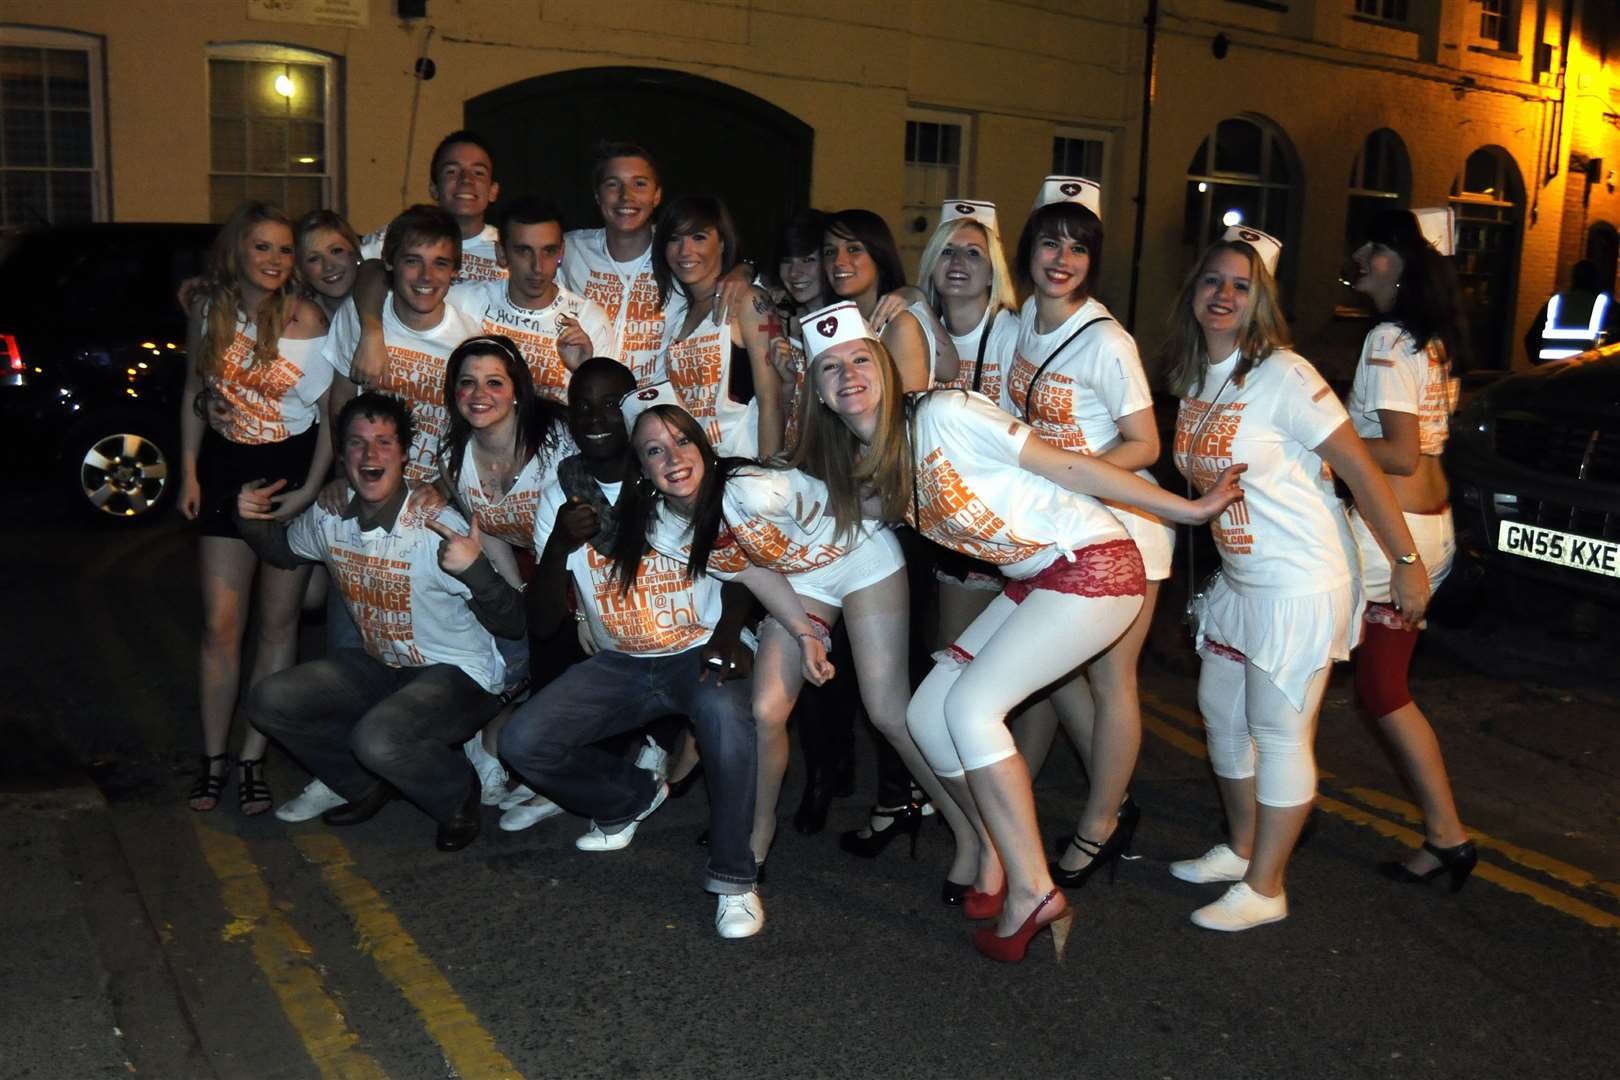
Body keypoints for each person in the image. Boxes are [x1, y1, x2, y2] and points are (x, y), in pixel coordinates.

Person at [794, 300, 1243, 961]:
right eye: (830, 369)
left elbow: (1068, 467)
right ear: (821, 396)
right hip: (1037, 579)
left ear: (887, 369)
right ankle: (993, 850)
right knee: (928, 711)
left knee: (974, 709)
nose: (848, 374)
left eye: (861, 358)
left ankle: (1033, 889)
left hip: (1095, 564)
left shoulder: (947, 413)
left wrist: (1191, 508)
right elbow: (804, 531)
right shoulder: (870, 471)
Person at [498, 377, 833, 940]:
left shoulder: (672, 479)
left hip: (697, 649)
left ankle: (734, 878)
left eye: (611, 403)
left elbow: (739, 561)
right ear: (571, 420)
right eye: (583, 407)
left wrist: (729, 633)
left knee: (729, 719)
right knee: (522, 742)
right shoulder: (562, 492)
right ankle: (631, 796)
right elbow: (541, 623)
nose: (598, 416)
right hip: (620, 661)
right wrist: (557, 545)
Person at [1166, 229, 1431, 931]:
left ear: (1261, 304)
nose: (1223, 296)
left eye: (1241, 286)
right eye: (1212, 281)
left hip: (1300, 581)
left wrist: (1407, 564)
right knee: (1221, 717)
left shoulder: (1286, 374)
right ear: (1193, 292)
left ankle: (1267, 887)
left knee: (1277, 731)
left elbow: (1362, 470)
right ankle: (1243, 847)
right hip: (1242, 579)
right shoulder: (1195, 376)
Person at [237, 392, 521, 851]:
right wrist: (251, 521)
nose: (370, 455)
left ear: (405, 454)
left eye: (384, 442)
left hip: (458, 674)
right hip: (382, 665)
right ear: (343, 452)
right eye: (357, 443)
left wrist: (475, 570)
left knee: (378, 737)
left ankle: (455, 795)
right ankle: (364, 785)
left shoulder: (434, 524)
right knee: (270, 700)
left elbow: (510, 622)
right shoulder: (330, 516)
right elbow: (282, 552)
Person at [1004, 179, 1175, 888]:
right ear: (1029, 250)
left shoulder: (1107, 341)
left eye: (1078, 247)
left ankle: (1100, 824)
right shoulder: (1019, 323)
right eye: (1050, 242)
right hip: (1064, 529)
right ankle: (1114, 796)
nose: (1062, 258)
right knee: (1058, 670)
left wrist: (1075, 473)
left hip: (1128, 529)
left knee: (1109, 679)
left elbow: (1146, 443)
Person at [178, 201, 333, 815]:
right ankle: (213, 759)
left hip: (290, 475)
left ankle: (252, 759)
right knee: (220, 625)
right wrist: (189, 470)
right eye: (262, 246)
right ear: (238, 251)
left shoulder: (310, 318)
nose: (275, 259)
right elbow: (195, 390)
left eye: (284, 249)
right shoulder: (210, 310)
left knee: (278, 625)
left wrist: (310, 490)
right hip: (224, 471)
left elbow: (328, 419)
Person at [1345, 208, 1476, 890]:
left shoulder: (1388, 341)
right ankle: (1448, 838)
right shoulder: (1433, 340)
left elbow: (1396, 452)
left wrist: (1322, 443)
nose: (1357, 260)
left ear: (1394, 258)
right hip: (1432, 528)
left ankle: (1257, 821)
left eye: (1367, 249)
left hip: (1387, 539)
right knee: (1383, 687)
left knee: (1288, 658)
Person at [559, 141, 754, 383]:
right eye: (613, 184)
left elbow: (736, 266)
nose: (625, 196)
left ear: (657, 195)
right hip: (588, 406)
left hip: (656, 410)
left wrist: (745, 269)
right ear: (598, 196)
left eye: (639, 184)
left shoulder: (679, 254)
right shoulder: (569, 249)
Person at [324, 205, 480, 483]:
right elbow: (342, 399)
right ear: (390, 262)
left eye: (440, 263)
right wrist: (341, 475)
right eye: (412, 261)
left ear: (455, 271)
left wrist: (444, 490)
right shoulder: (358, 315)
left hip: (433, 488)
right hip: (364, 478)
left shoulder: (470, 340)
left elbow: (472, 431)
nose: (426, 276)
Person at [448, 196, 614, 405]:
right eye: (524, 251)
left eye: (549, 251)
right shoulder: (463, 302)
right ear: (501, 253)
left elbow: (604, 409)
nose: (538, 266)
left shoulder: (590, 320)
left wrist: (582, 370)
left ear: (561, 253)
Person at [651, 195, 782, 458]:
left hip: (745, 468)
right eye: (674, 239)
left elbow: (773, 400)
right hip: (698, 474)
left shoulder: (748, 300)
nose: (685, 251)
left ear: (722, 243)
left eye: (698, 237)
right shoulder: (678, 313)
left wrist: (770, 473)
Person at [822, 209, 957, 392]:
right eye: (830, 252)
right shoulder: (834, 323)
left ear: (879, 256)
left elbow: (947, 372)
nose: (838, 261)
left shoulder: (900, 323)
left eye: (853, 249)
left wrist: (918, 298)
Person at [359, 130, 506, 284]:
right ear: (434, 188)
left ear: (493, 190)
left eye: (478, 172)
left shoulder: (511, 249)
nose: (466, 180)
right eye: (452, 171)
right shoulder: (396, 236)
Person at [1526, 258, 1617, 363]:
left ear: (1573, 279)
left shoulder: (1555, 302)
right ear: (1596, 280)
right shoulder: (1606, 305)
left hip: (1550, 372)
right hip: (1584, 373)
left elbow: (1531, 339)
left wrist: (1540, 366)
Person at [295, 210, 362, 318]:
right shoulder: (294, 319)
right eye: (314, 258)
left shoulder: (387, 304)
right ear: (301, 269)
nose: (329, 266)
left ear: (356, 252)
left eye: (336, 251)